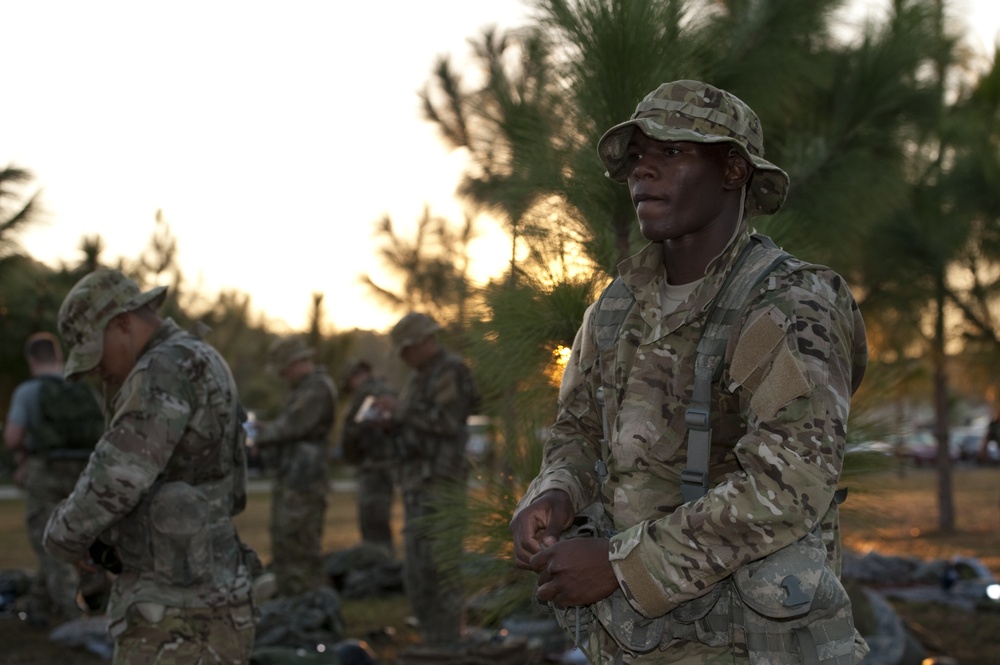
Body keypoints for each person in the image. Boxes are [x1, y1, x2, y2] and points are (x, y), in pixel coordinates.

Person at [509, 80, 870, 664]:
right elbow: (576, 432)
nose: (642, 172)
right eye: (637, 157)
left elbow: (789, 484)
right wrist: (553, 493)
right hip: (633, 642)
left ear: (733, 169)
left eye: (671, 153)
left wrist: (620, 566)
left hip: (746, 645)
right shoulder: (616, 307)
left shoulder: (785, 303)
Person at [42, 269, 259, 664]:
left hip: (174, 612)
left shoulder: (163, 369)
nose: (96, 370)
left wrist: (63, 537)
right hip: (216, 594)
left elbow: (118, 475)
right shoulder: (198, 354)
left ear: (122, 322)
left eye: (96, 352)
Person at [376, 312, 479, 647]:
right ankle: (434, 639)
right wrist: (392, 422)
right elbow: (420, 425)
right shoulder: (421, 376)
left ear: (421, 342)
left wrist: (400, 411)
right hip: (418, 484)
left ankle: (447, 642)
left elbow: (448, 422)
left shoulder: (450, 370)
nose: (404, 358)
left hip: (439, 485)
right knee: (418, 571)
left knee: (439, 570)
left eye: (406, 350)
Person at [4, 332, 105, 625]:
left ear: (31, 359)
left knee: (51, 543)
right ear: (59, 356)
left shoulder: (29, 392)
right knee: (86, 540)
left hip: (46, 472)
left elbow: (13, 438)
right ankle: (97, 602)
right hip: (85, 474)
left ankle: (73, 617)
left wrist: (23, 458)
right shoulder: (84, 390)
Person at [253, 335, 338, 597]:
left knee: (300, 547)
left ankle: (307, 606)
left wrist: (260, 436)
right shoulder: (305, 389)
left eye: (283, 368)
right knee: (287, 544)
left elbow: (293, 426)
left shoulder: (317, 388)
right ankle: (294, 601)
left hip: (304, 483)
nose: (282, 375)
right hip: (295, 478)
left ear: (295, 362)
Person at [340, 359, 397, 553]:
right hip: (374, 467)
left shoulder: (371, 393)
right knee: (373, 523)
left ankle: (381, 567)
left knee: (375, 523)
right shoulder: (376, 391)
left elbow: (359, 429)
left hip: (376, 467)